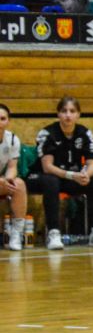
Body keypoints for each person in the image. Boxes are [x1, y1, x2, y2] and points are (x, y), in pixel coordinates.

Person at [32, 96, 93, 249]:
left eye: (72, 111)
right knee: (51, 181)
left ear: (78, 114)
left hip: (71, 177)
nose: (68, 115)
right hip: (45, 178)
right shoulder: (48, 133)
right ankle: (53, 233)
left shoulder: (84, 133)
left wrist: (86, 175)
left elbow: (91, 164)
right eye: (64, 111)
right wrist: (72, 175)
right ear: (58, 114)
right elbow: (47, 167)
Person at [0, 103, 28, 251]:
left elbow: (12, 167)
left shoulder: (12, 139)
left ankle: (16, 233)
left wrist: (7, 180)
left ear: (8, 121)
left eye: (2, 118)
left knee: (19, 185)